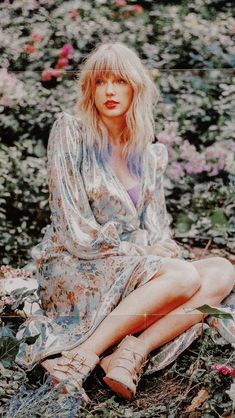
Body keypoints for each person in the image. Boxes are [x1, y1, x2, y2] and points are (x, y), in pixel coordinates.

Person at [15, 42, 235, 404]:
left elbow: (157, 228)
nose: (111, 90)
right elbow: (71, 221)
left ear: (136, 88)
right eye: (101, 82)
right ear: (90, 89)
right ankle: (80, 357)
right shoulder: (72, 132)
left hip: (130, 261)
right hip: (78, 261)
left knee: (221, 270)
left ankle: (131, 351)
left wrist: (155, 248)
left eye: (120, 81)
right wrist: (137, 250)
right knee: (183, 276)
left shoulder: (150, 154)